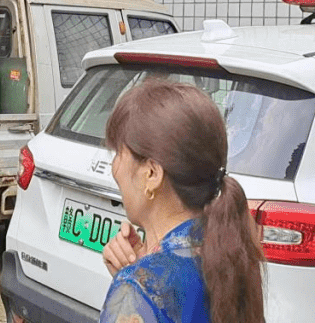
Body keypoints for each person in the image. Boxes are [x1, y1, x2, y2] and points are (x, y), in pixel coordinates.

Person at [99, 79, 264, 323]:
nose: (114, 169)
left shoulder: (140, 288)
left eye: (118, 154)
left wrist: (134, 288)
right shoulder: (228, 251)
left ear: (152, 174)